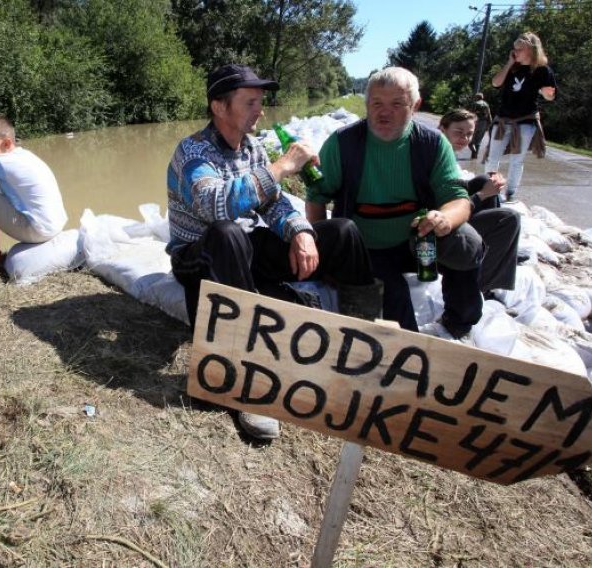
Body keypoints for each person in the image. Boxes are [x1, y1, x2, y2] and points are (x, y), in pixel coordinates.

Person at [167, 63, 378, 440]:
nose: (259, 111)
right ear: (219, 106)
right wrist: (282, 166)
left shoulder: (251, 148)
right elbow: (216, 205)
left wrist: (300, 232)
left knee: (342, 232)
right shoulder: (192, 152)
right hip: (199, 256)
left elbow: (274, 204)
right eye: (250, 102)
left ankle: (363, 344)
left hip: (243, 247)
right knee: (227, 232)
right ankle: (244, 382)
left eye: (261, 102)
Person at [306, 67, 485, 340]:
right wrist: (326, 254)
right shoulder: (342, 144)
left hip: (418, 242)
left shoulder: (433, 144)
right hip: (365, 249)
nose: (384, 112)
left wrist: (444, 218)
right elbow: (317, 197)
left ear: (415, 106)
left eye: (396, 104)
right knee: (389, 311)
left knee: (466, 242)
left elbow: (458, 200)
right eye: (376, 103)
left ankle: (458, 324)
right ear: (366, 105)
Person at [0, 115, 68, 267]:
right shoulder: (23, 155)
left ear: (7, 143)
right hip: (54, 226)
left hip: (37, 231)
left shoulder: (1, 162)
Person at [439, 109, 521, 294]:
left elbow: (454, 191)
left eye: (469, 134)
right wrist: (482, 195)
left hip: (448, 214)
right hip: (440, 227)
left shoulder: (447, 152)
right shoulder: (437, 156)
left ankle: (498, 251)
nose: (465, 138)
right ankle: (482, 287)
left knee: (484, 180)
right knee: (509, 218)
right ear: (442, 129)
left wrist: (488, 185)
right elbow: (446, 207)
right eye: (458, 132)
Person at [484, 31, 557, 203]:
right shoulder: (512, 67)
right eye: (514, 48)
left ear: (531, 50)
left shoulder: (542, 70)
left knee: (517, 160)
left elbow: (549, 95)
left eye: (519, 49)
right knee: (492, 156)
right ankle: (489, 189)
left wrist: (548, 94)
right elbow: (495, 83)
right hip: (502, 119)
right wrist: (509, 62)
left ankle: (510, 193)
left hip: (525, 121)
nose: (515, 51)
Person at [468, 92, 492, 160]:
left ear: (476, 97)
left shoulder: (475, 104)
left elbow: (470, 114)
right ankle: (474, 157)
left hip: (475, 122)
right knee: (478, 141)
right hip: (484, 123)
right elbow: (489, 115)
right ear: (482, 97)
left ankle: (474, 153)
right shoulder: (486, 104)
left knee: (470, 140)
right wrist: (489, 125)